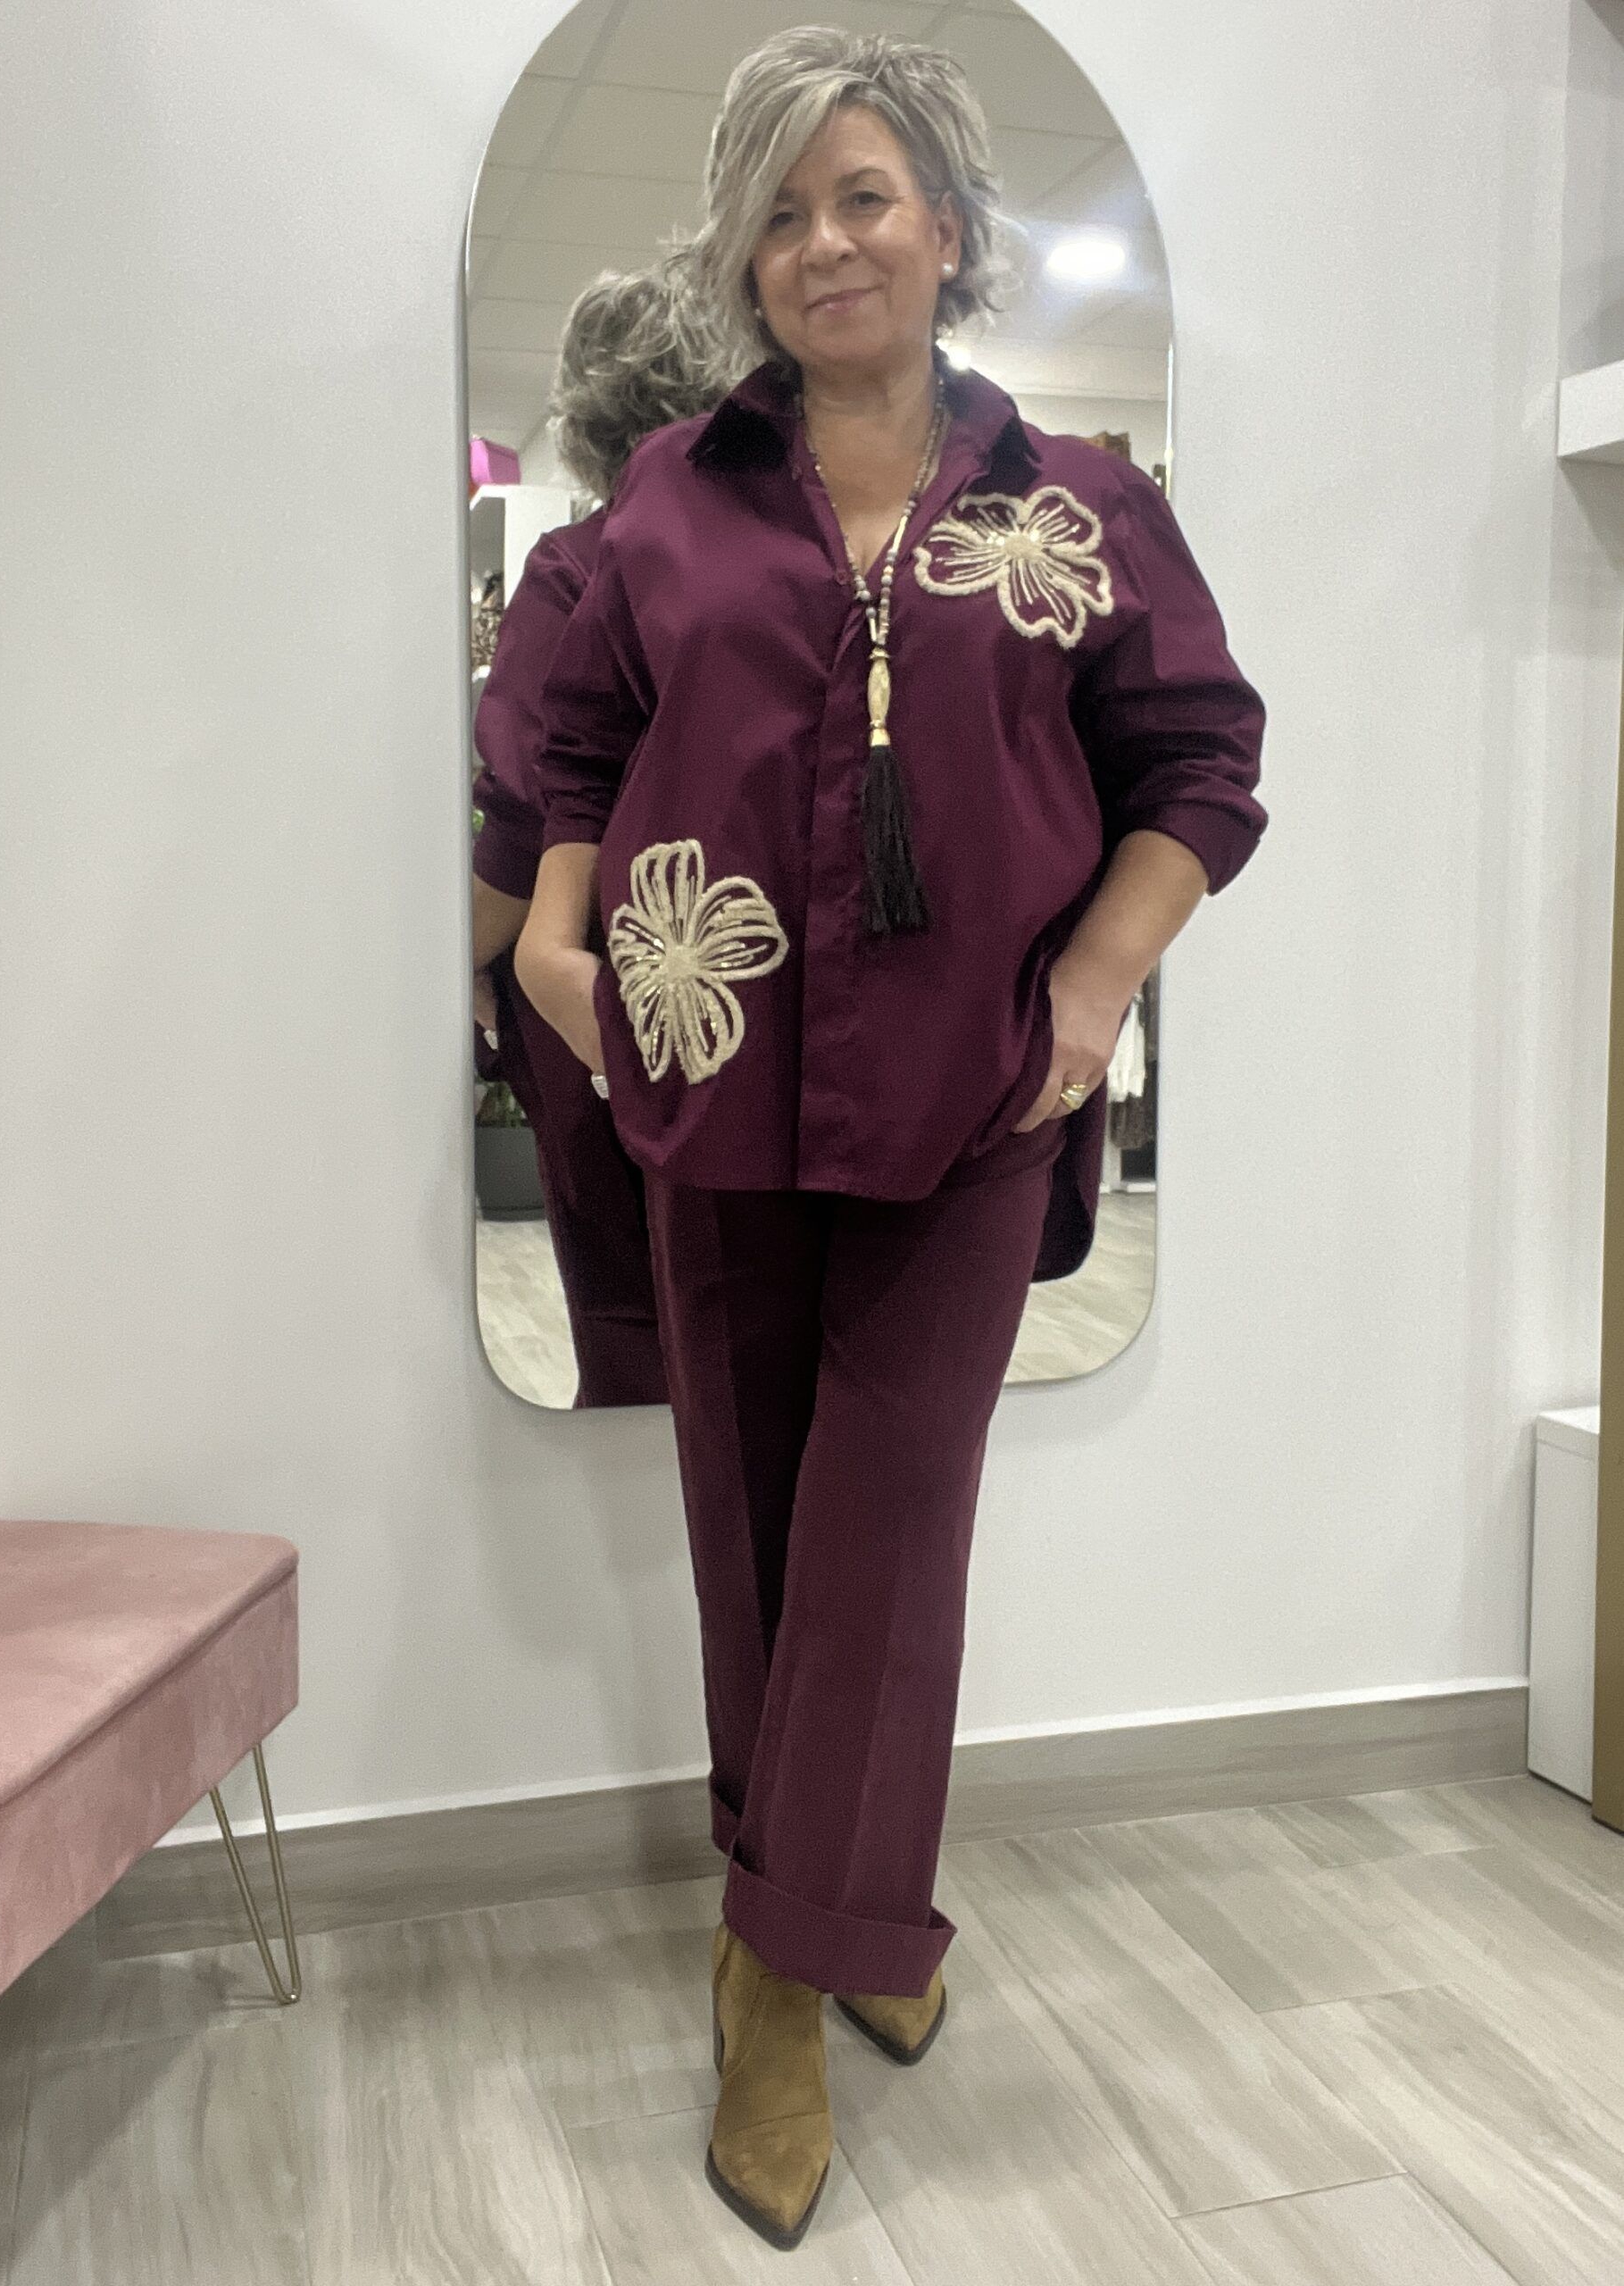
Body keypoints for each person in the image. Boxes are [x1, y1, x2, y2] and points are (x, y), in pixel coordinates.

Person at [517, 28, 1267, 2248]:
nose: (819, 241)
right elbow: (577, 741)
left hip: (972, 1090)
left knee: (885, 1518)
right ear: (740, 257)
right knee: (750, 1522)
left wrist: (1098, 980)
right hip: (707, 1063)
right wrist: (553, 936)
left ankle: (775, 1968)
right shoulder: (669, 500)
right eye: (777, 210)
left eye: (858, 196)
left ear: (944, 221)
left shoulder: (1079, 504)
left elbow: (1200, 764)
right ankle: (830, 1919)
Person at [470, 258, 736, 1406]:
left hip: (593, 984)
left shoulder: (578, 568)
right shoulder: (790, 568)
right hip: (748, 978)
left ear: (583, 408)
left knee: (633, 1311)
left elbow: (525, 823)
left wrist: (462, 957)